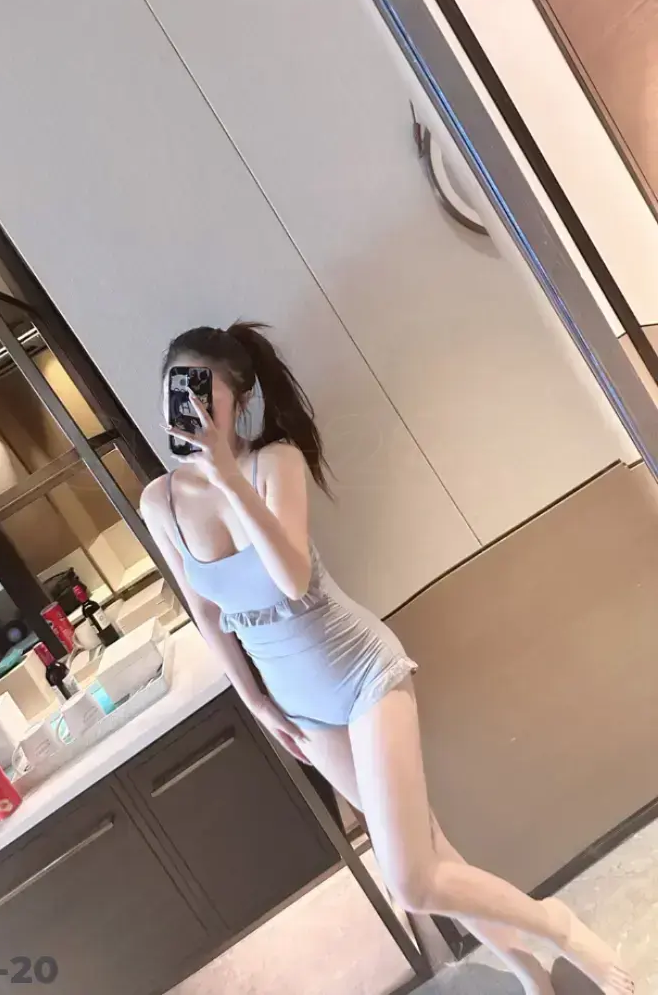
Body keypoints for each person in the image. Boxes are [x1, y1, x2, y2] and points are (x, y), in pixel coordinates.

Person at [140, 321, 634, 995]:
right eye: (177, 390)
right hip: (300, 704)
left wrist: (228, 479)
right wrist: (257, 703)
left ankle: (558, 926)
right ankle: (531, 974)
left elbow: (291, 578)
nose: (190, 408)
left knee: (410, 879)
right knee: (430, 853)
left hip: (362, 672)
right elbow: (205, 611)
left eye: (205, 394)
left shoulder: (273, 464)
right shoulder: (161, 503)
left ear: (239, 400)